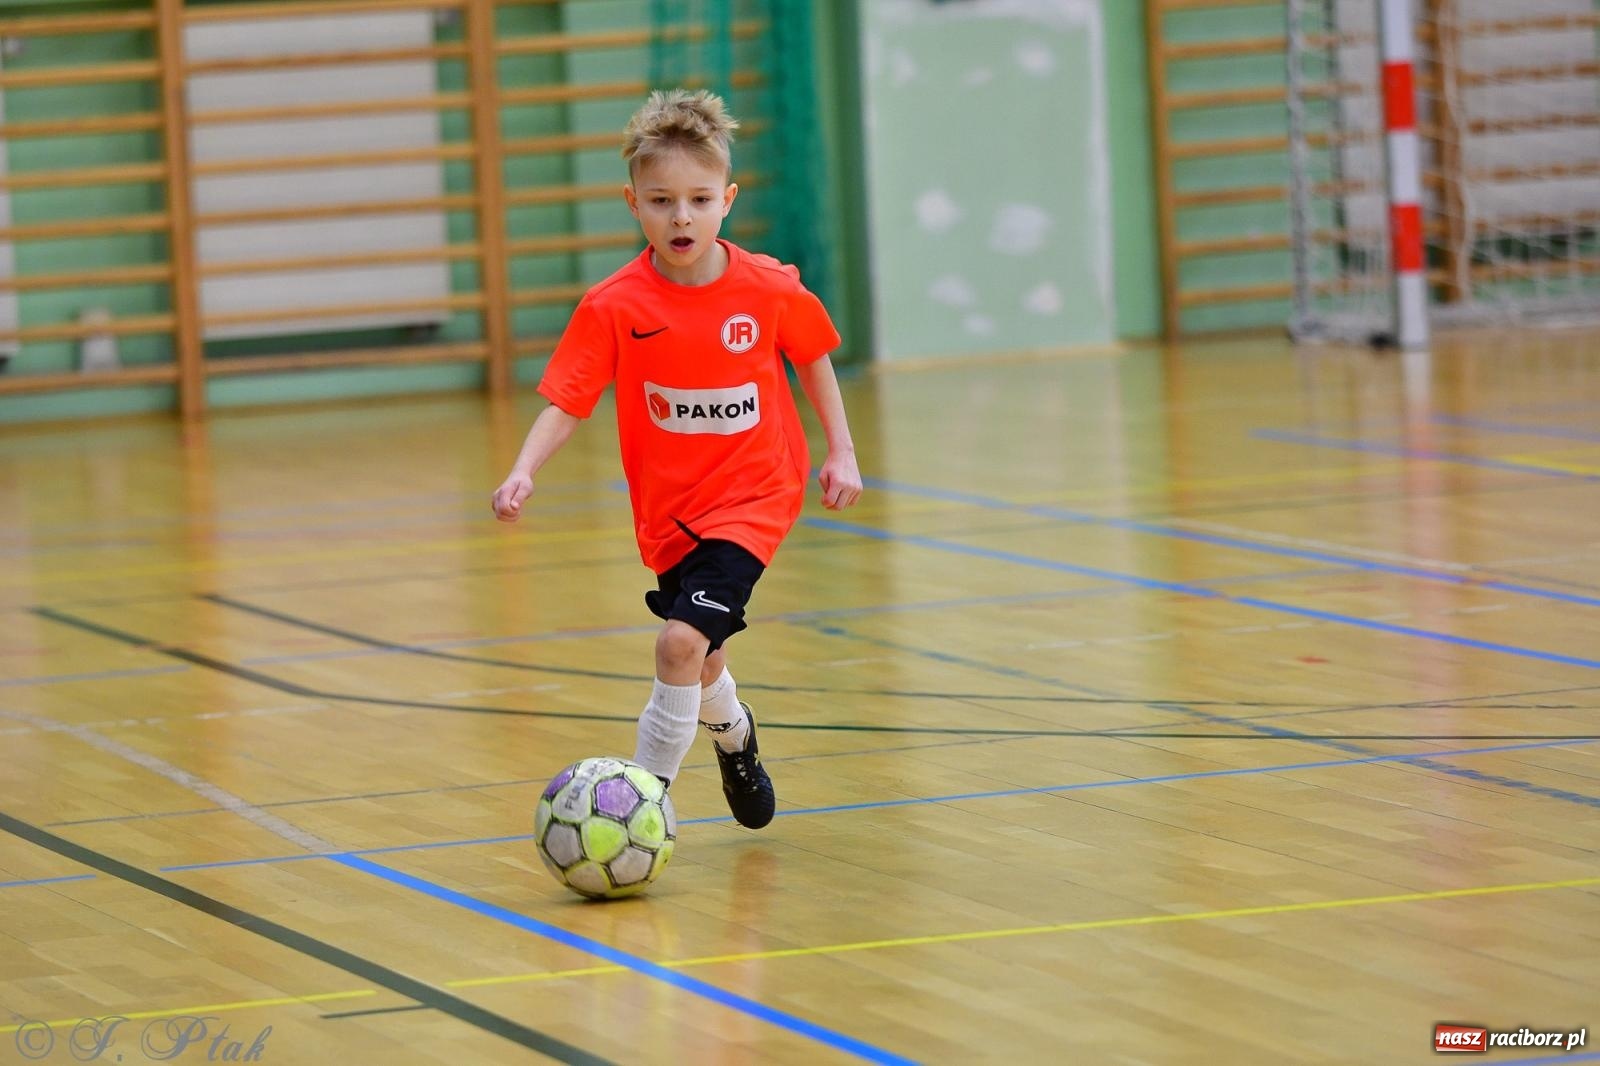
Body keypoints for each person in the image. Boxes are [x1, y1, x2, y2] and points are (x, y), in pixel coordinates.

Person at [491, 88, 862, 829]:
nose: (681, 217)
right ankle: (735, 735)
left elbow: (814, 356)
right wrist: (524, 467)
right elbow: (569, 398)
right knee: (704, 657)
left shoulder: (767, 288)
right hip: (670, 514)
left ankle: (643, 804)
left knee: (678, 642)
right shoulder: (614, 305)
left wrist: (841, 450)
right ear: (633, 203)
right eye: (662, 201)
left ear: (727, 199)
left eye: (698, 199)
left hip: (757, 496)